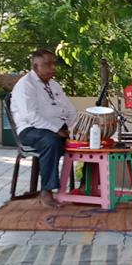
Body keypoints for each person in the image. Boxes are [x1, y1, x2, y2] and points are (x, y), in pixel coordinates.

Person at [11, 49, 77, 208]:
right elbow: (30, 116)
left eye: (54, 63)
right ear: (35, 66)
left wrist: (76, 128)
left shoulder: (54, 85)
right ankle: (46, 191)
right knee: (51, 141)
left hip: (57, 129)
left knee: (90, 140)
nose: (53, 68)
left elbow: (70, 110)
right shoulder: (25, 84)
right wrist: (56, 130)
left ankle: (84, 188)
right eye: (48, 64)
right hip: (30, 130)